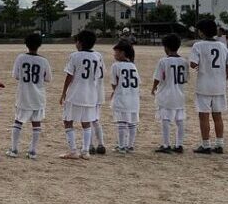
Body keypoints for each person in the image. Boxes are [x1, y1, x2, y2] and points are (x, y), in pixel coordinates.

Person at [7, 32, 52, 160]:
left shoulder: (20, 58)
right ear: (39, 45)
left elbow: (16, 76)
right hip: (38, 97)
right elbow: (48, 78)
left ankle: (14, 149)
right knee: (36, 123)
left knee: (18, 121)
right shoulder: (43, 60)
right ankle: (32, 151)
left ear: (26, 44)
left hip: (24, 95)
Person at [59, 29, 101, 160]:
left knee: (68, 121)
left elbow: (69, 76)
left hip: (75, 94)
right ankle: (85, 151)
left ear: (80, 42)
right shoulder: (97, 57)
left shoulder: (75, 56)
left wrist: (63, 92)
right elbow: (97, 76)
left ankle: (73, 151)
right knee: (86, 122)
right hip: (90, 94)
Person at [189, 18, 228, 154]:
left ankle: (206, 145)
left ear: (202, 31)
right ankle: (219, 144)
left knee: (204, 115)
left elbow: (193, 64)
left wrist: (200, 64)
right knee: (218, 115)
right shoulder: (222, 46)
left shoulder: (198, 45)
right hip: (219, 85)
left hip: (204, 85)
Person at [152, 34, 188, 154]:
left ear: (166, 47)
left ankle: (166, 144)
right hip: (180, 95)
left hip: (166, 95)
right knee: (180, 120)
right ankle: (179, 144)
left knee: (165, 120)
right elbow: (185, 79)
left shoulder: (163, 61)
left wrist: (153, 88)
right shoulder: (184, 61)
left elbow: (158, 78)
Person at [110, 40, 140, 154]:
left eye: (116, 52)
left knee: (121, 122)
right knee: (132, 123)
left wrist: (115, 91)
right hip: (134, 98)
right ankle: (130, 146)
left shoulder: (116, 65)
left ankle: (122, 146)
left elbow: (114, 83)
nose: (114, 54)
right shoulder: (133, 66)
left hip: (122, 97)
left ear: (122, 53)